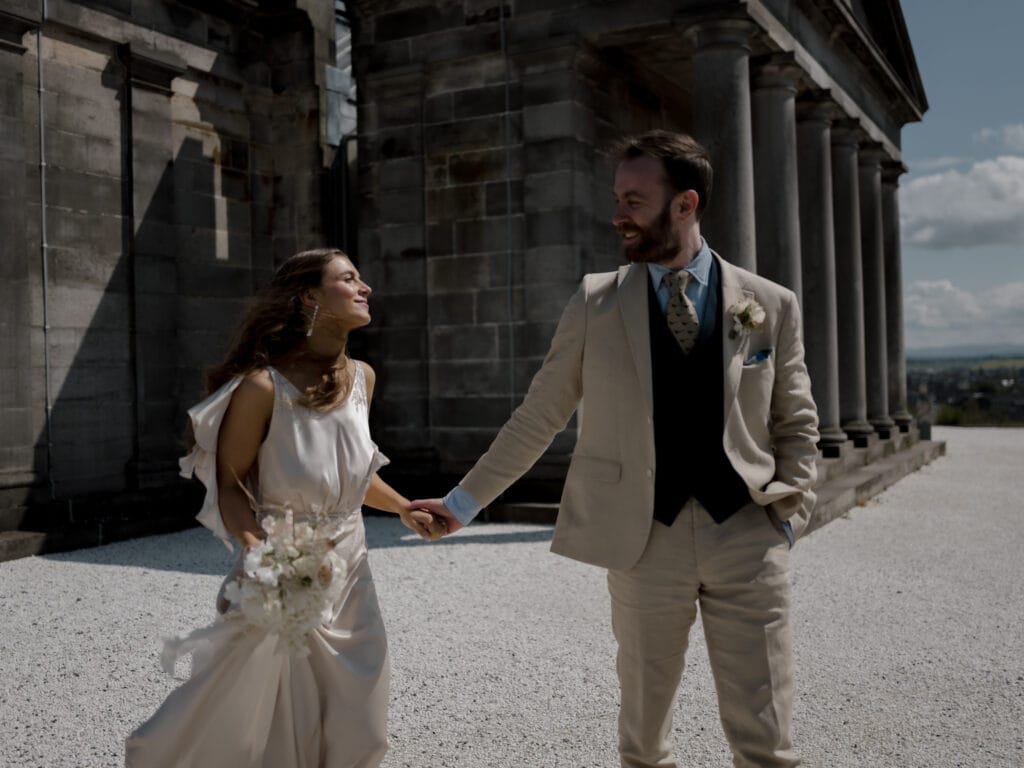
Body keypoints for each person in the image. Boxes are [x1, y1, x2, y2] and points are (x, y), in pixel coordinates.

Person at [410, 131, 820, 768]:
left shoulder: (769, 304)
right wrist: (463, 504)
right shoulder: (596, 300)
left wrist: (788, 521)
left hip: (747, 533)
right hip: (642, 540)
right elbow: (538, 416)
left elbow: (796, 423)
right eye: (617, 198)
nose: (618, 214)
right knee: (643, 735)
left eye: (634, 199)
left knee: (767, 736)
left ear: (685, 204)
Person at [125, 248, 444, 768]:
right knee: (266, 721)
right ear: (309, 297)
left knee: (360, 716)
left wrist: (406, 508)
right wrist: (260, 555)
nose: (366, 287)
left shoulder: (363, 377)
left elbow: (352, 474)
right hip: (283, 568)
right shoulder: (261, 387)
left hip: (351, 572)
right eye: (349, 278)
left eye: (362, 277)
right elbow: (230, 485)